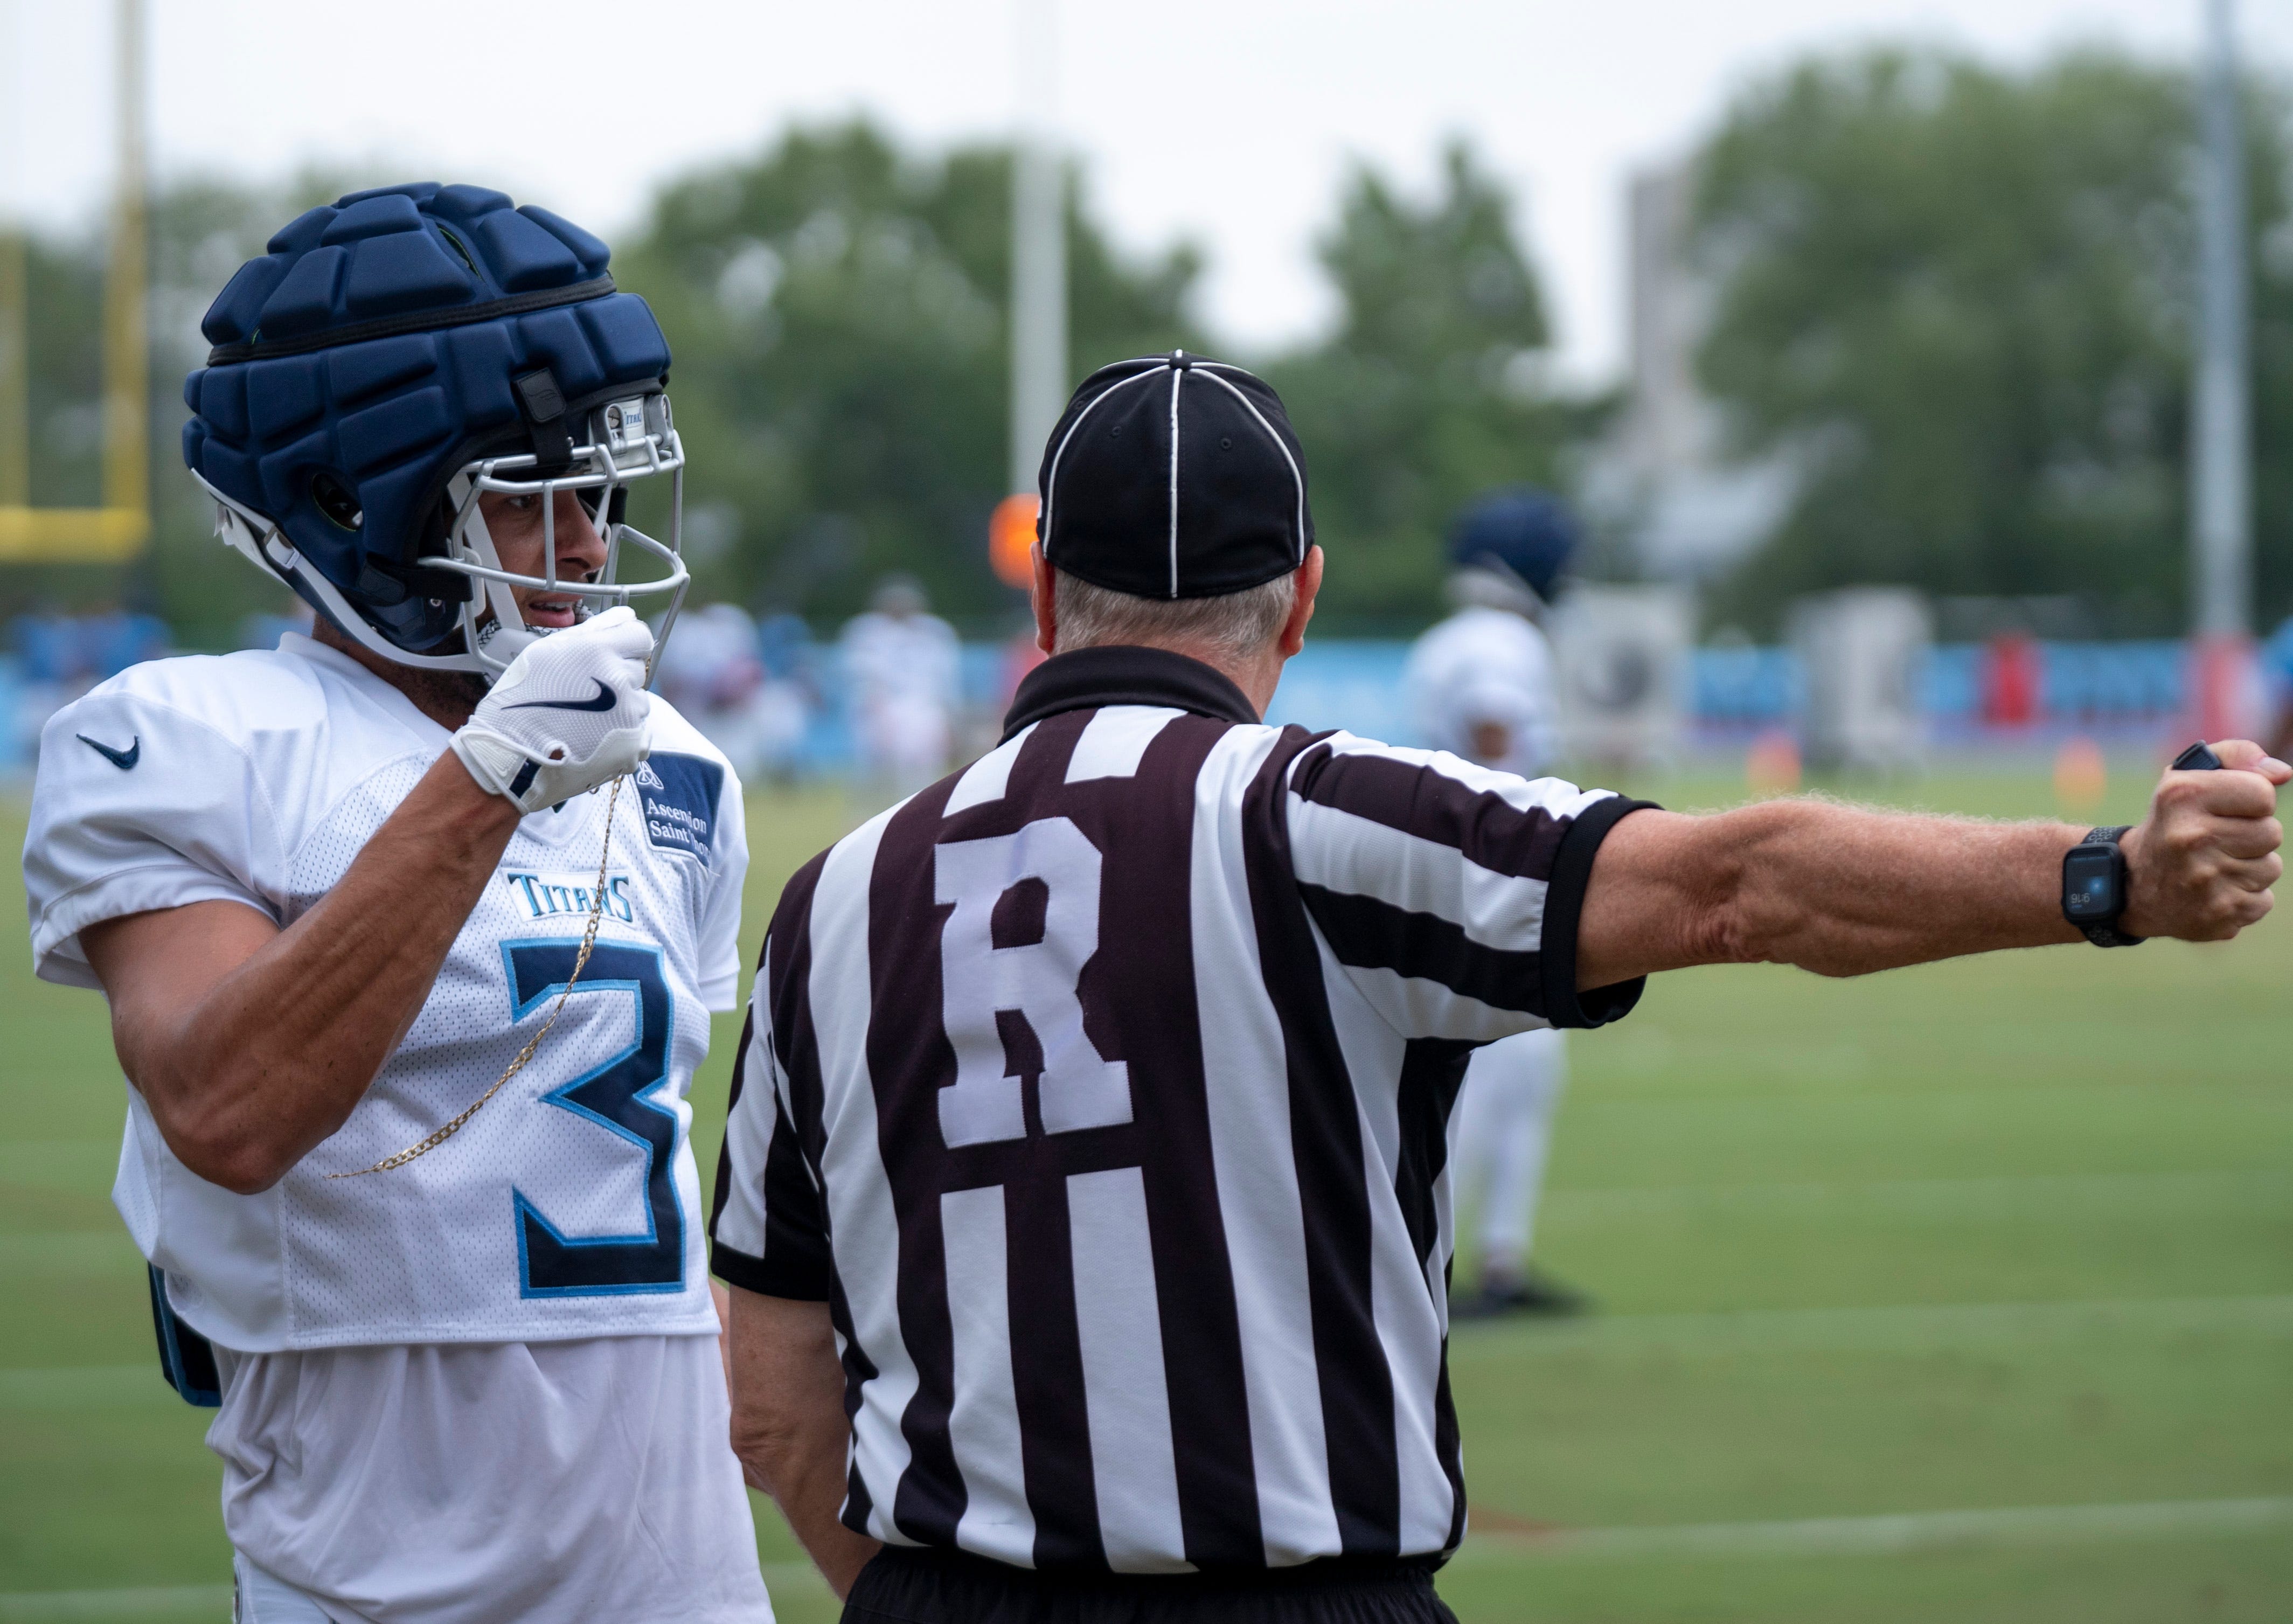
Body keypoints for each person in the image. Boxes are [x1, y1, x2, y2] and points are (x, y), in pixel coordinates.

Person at [708, 351, 2282, 1624]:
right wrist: (2105, 876)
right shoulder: (1315, 815)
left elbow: (771, 1394)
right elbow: (1735, 879)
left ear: (1041, 590)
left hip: (942, 1589)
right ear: (1303, 597)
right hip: (1298, 1590)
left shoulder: (826, 902)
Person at [22, 184, 771, 1624]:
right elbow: (227, 1108)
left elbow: (642, 1215)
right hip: (378, 1579)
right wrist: (487, 778)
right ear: (352, 503)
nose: (586, 544)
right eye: (527, 492)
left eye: (599, 494)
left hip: (683, 1576)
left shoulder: (674, 766)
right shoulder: (182, 736)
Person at [1404, 488, 1582, 1316]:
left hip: (1454, 879)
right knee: (1491, 1080)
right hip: (1488, 885)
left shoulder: (1456, 636)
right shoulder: (1500, 641)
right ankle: (1441, 1269)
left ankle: (1497, 1262)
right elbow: (1493, 741)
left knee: (1522, 1073)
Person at [841, 574, 961, 794]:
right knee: (874, 776)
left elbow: (945, 684)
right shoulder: (867, 632)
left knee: (921, 769)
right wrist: (877, 712)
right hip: (880, 708)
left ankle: (920, 810)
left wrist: (949, 719)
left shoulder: (935, 632)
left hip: (922, 709)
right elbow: (863, 680)